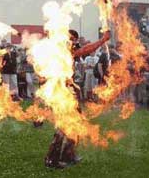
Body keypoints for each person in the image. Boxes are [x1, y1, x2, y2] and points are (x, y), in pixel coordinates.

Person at [45, 30, 110, 169]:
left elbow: (83, 50)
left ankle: (69, 154)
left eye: (75, 40)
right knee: (63, 127)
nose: (75, 43)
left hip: (69, 93)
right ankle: (52, 159)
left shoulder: (68, 52)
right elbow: (85, 49)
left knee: (77, 123)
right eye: (73, 39)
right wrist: (102, 40)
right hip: (60, 94)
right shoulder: (60, 52)